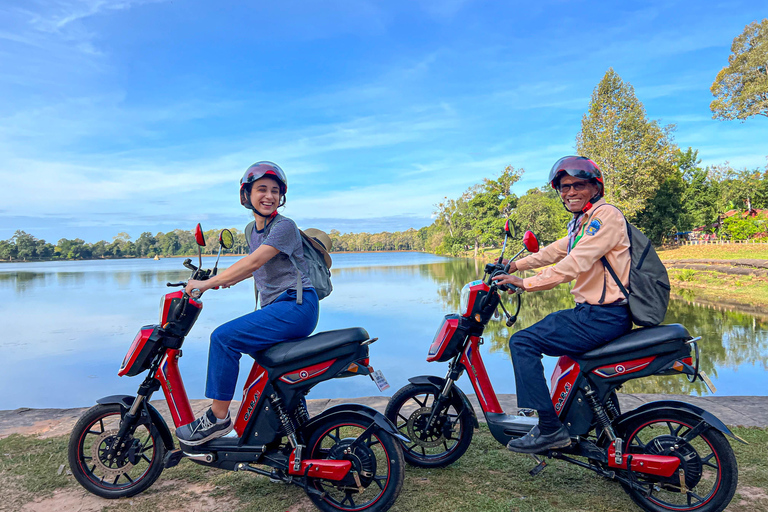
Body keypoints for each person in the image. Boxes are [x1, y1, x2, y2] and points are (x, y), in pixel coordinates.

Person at [492, 156, 632, 454]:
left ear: (595, 186)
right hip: (593, 314)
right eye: (564, 187)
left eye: (578, 185)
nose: (570, 192)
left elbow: (573, 263)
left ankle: (549, 428)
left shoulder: (605, 217)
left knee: (522, 342)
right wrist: (514, 265)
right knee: (565, 356)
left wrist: (525, 283)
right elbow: (557, 250)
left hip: (602, 316)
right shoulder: (585, 221)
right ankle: (602, 426)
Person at [176, 161, 320, 445]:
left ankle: (218, 418)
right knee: (268, 365)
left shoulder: (285, 226)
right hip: (279, 308)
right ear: (247, 195)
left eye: (275, 191)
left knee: (223, 338)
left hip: (296, 305)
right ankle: (295, 424)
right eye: (262, 190)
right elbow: (255, 269)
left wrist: (206, 284)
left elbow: (253, 261)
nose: (269, 196)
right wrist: (222, 280)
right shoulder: (251, 231)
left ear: (282, 197)